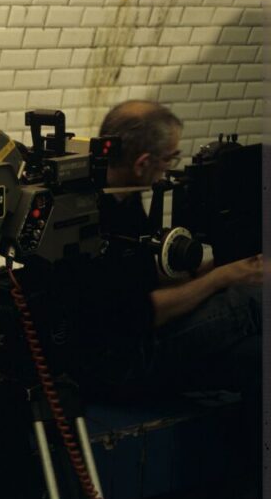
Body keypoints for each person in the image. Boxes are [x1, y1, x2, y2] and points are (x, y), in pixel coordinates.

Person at [87, 99, 262, 399]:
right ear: (143, 163)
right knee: (252, 298)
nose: (170, 168)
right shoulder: (98, 217)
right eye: (170, 158)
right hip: (121, 363)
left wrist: (208, 272)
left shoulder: (121, 197)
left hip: (128, 337)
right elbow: (142, 313)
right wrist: (222, 277)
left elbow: (136, 278)